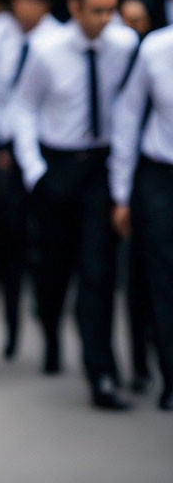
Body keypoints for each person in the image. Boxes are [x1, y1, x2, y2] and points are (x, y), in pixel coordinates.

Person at [13, 0, 138, 410]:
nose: (105, 19)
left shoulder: (125, 46)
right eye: (96, 11)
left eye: (111, 11)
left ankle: (101, 373)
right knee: (52, 268)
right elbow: (23, 109)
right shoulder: (47, 51)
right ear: (74, 8)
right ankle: (50, 335)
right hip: (57, 166)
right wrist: (35, 172)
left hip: (101, 170)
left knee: (98, 270)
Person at [0, 0, 61, 359]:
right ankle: (11, 330)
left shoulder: (57, 41)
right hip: (2, 149)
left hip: (42, 154)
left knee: (44, 250)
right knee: (6, 244)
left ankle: (51, 336)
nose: (22, 6)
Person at [110, 22, 173, 412]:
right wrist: (121, 193)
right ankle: (170, 374)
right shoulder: (156, 48)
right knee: (163, 280)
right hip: (159, 175)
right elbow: (128, 116)